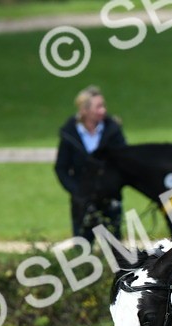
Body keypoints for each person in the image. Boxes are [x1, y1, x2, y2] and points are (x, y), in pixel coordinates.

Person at [54, 85, 126, 240]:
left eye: (103, 105)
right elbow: (61, 168)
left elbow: (124, 161)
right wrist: (77, 191)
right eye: (98, 106)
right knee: (82, 247)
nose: (103, 110)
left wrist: (113, 186)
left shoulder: (113, 131)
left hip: (110, 200)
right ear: (85, 110)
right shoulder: (70, 134)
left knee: (116, 251)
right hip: (82, 203)